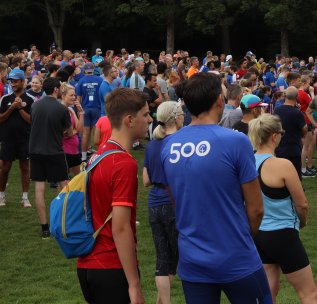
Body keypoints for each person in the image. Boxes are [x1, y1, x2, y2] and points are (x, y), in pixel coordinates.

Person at [157, 73, 271, 304]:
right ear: (219, 100)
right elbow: (256, 209)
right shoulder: (236, 141)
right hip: (236, 256)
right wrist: (240, 239)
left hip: (192, 257)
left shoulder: (168, 146)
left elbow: (176, 199)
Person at [77, 88, 152, 304]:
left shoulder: (98, 155)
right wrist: (134, 284)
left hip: (87, 264)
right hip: (111, 265)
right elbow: (120, 227)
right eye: (145, 114)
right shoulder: (123, 163)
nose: (149, 120)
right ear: (130, 120)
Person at [249, 114, 317, 304]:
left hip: (258, 234)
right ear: (274, 136)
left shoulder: (247, 162)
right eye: (281, 132)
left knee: (269, 291)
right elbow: (302, 204)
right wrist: (302, 222)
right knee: (308, 294)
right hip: (283, 234)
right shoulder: (282, 165)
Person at [143, 101, 183, 304]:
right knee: (180, 254)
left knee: (163, 257)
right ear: (176, 118)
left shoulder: (152, 145)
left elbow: (146, 180)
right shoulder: (180, 143)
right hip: (175, 203)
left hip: (155, 204)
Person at [29, 76, 71, 238]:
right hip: (54, 151)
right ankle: (62, 222)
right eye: (59, 88)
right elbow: (68, 132)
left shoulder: (35, 105)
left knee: (39, 187)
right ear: (55, 89)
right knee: (63, 185)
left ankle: (44, 228)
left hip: (35, 150)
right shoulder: (61, 109)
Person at [0, 68, 35, 207]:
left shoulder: (31, 99)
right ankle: (1, 196)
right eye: (11, 81)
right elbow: (0, 119)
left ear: (22, 81)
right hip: (8, 139)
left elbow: (32, 120)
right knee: (5, 168)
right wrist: (11, 108)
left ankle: (25, 198)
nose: (13, 84)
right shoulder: (5, 99)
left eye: (15, 81)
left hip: (24, 139)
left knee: (25, 168)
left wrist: (20, 107)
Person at [274, 87, 308, 177]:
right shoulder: (297, 113)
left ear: (285, 96)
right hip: (293, 149)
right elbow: (304, 129)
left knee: (280, 177)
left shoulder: (276, 110)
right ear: (297, 97)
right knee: (295, 176)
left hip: (278, 148)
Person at [75, 62, 103, 160]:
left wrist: (79, 111)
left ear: (85, 70)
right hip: (97, 108)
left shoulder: (81, 81)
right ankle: (99, 155)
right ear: (93, 70)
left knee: (86, 133)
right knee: (97, 133)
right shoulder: (100, 80)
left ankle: (83, 156)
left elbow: (78, 98)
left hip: (85, 109)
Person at [60, 83, 85, 176]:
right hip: (64, 150)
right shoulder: (60, 110)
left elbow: (79, 129)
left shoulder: (70, 110)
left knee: (78, 178)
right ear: (63, 96)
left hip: (74, 149)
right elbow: (64, 133)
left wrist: (81, 112)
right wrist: (73, 132)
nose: (74, 97)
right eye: (71, 95)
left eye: (74, 95)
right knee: (64, 180)